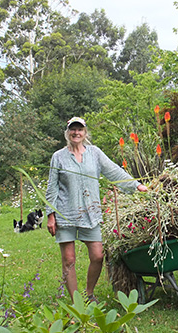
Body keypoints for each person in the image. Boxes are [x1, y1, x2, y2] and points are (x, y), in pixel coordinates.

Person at [45, 116, 147, 303]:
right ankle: (77, 301)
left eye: (80, 129)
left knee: (98, 256)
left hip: (90, 213)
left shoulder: (95, 153)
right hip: (65, 214)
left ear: (85, 133)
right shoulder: (58, 157)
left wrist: (136, 186)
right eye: (73, 129)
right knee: (69, 260)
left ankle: (89, 293)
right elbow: (52, 187)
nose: (76, 133)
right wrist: (50, 215)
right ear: (67, 133)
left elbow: (114, 171)